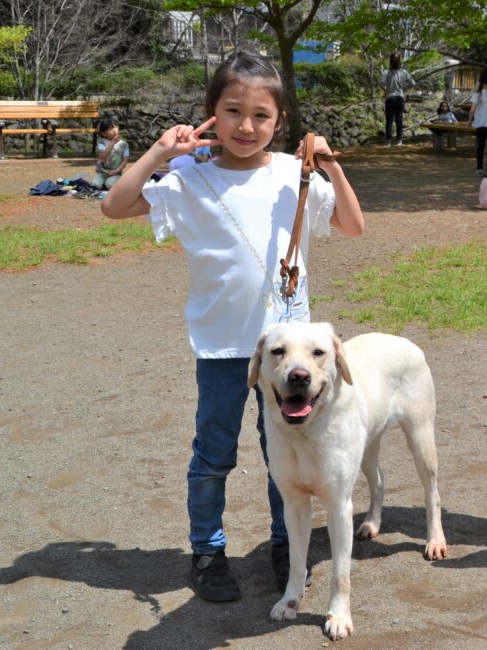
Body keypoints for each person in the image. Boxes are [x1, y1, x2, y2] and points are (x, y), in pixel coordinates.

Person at [100, 51, 365, 603]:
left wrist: (330, 163)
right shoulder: (188, 177)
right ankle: (207, 550)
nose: (247, 126)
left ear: (280, 122)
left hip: (287, 352)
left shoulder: (296, 174)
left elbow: (353, 225)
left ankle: (283, 546)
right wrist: (160, 151)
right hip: (222, 346)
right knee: (214, 454)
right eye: (233, 111)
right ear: (210, 115)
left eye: (262, 115)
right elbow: (114, 205)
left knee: (284, 456)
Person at [382, 53, 415, 146]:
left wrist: (385, 90)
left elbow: (381, 83)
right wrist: (405, 88)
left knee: (389, 120)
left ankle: (388, 141)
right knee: (399, 119)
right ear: (399, 61)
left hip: (390, 98)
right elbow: (413, 83)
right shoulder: (404, 72)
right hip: (400, 98)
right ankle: (399, 140)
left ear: (390, 61)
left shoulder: (386, 72)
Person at [91, 118, 130, 190]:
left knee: (109, 184)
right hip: (102, 172)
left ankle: (117, 180)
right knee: (95, 184)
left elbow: (125, 160)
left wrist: (116, 171)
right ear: (104, 133)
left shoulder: (123, 144)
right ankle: (103, 182)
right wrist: (113, 142)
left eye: (115, 127)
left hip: (115, 172)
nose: (114, 130)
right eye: (110, 129)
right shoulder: (101, 142)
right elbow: (103, 155)